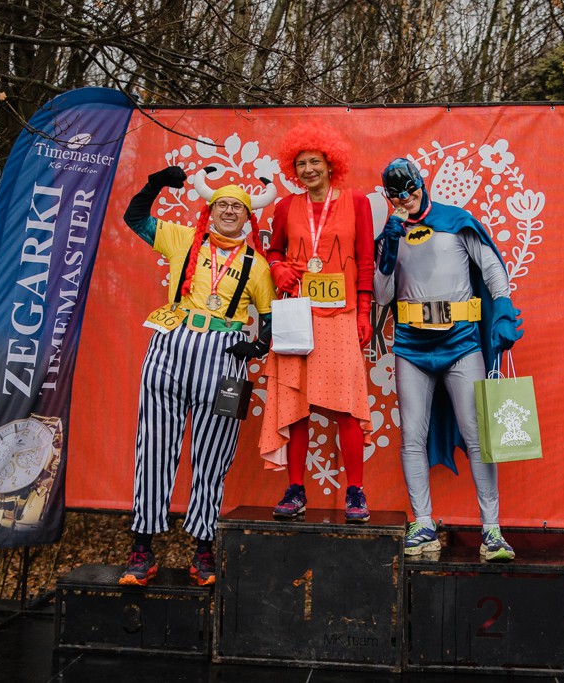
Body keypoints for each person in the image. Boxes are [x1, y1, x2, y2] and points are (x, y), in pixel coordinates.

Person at [119, 164, 276, 587]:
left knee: (214, 456)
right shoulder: (183, 238)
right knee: (153, 447)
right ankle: (142, 548)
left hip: (225, 359)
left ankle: (203, 550)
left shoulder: (257, 266)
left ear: (248, 217)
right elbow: (134, 218)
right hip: (170, 347)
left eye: (238, 207)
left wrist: (258, 346)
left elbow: (271, 316)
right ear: (211, 209)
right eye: (223, 204)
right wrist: (153, 183)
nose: (229, 211)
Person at [374, 157, 523, 561]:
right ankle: (423, 523)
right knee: (412, 437)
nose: (405, 197)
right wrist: (388, 249)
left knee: (478, 437)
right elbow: (383, 296)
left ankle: (492, 530)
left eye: (410, 188)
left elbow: (491, 268)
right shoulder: (391, 233)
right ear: (389, 197)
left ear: (421, 184)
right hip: (412, 347)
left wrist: (503, 306)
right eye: (396, 193)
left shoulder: (455, 220)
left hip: (461, 343)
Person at [259, 122, 375, 522]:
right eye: (300, 164)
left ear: (330, 163)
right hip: (297, 313)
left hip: (341, 316)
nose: (308, 169)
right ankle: (295, 490)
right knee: (295, 405)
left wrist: (364, 312)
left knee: (347, 408)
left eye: (314, 161)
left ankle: (356, 492)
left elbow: (365, 261)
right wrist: (277, 269)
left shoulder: (357, 202)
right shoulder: (285, 206)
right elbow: (273, 251)